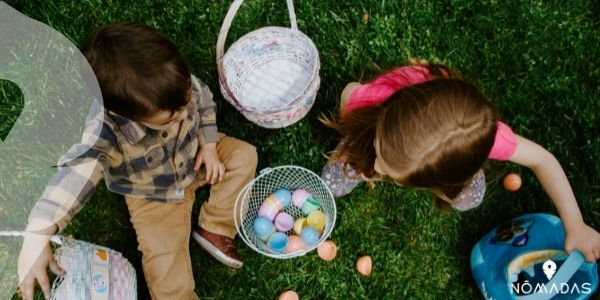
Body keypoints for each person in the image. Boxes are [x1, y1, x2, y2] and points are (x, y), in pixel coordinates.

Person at [17, 22, 257, 299]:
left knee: (243, 155)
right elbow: (75, 175)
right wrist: (39, 231)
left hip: (197, 156)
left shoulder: (175, 85)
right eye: (171, 117)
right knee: (165, 268)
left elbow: (204, 105)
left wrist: (210, 145)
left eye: (186, 101)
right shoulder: (105, 131)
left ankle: (214, 226)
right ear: (122, 112)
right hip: (152, 194)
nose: (183, 114)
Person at [321, 61, 600, 263]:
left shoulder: (489, 139)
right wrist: (363, 139)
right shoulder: (373, 101)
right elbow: (349, 92)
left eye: (388, 171)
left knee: (468, 198)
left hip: (447, 147)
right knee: (347, 166)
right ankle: (364, 151)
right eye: (381, 153)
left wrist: (575, 223)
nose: (378, 170)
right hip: (387, 113)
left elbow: (543, 160)